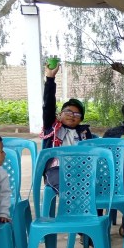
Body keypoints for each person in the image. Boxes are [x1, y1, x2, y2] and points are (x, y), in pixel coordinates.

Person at [40, 61, 97, 189]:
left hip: (81, 168)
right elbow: (48, 106)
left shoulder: (84, 132)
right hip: (57, 168)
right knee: (64, 185)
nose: (72, 115)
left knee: (96, 183)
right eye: (68, 112)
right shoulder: (52, 127)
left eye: (77, 114)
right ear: (60, 114)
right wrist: (50, 78)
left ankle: (89, 208)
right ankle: (71, 206)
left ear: (81, 119)